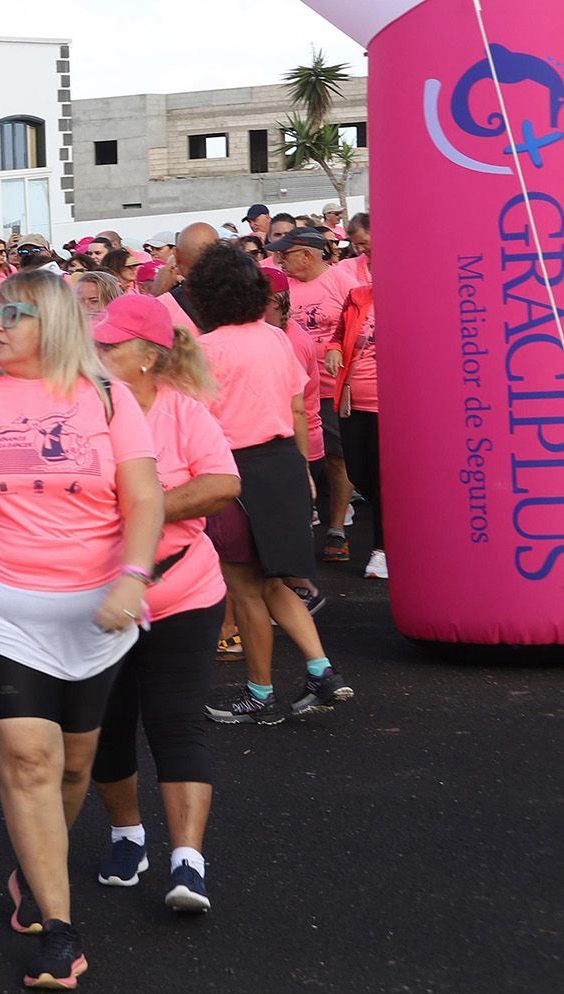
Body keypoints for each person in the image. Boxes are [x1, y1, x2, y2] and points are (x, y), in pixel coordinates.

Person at [0, 269, 163, 990]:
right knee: (27, 758)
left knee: (73, 766)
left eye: (11, 313)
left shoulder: (107, 398)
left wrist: (132, 576)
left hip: (96, 611)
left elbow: (143, 498)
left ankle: (31, 868)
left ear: (50, 321)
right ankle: (59, 929)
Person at [88, 294, 240, 913]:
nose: (94, 356)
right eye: (93, 344)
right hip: (99, 600)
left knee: (177, 722)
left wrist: (145, 507)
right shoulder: (79, 412)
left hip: (185, 593)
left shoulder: (183, 413)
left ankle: (188, 861)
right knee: (107, 728)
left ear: (150, 356)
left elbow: (224, 483)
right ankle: (128, 836)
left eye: (109, 347)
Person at [187, 244, 353, 724]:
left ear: (205, 296)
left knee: (245, 591)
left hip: (233, 471)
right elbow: (300, 407)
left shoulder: (204, 350)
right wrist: (302, 469)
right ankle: (321, 670)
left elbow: (192, 422)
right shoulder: (276, 337)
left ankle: (260, 694)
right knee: (275, 582)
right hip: (283, 463)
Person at [267, 226, 356, 564]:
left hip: (332, 388)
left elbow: (361, 326)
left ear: (306, 254)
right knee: (294, 459)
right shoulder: (280, 285)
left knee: (336, 458)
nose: (280, 261)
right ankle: (304, 523)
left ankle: (337, 530)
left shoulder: (342, 283)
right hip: (289, 389)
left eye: (285, 254)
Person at [336, 274, 385, 579]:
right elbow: (338, 334)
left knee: (383, 481)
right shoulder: (357, 296)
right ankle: (394, 521)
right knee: (357, 473)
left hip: (391, 406)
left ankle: (381, 551)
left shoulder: (411, 298)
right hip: (353, 400)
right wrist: (332, 348)